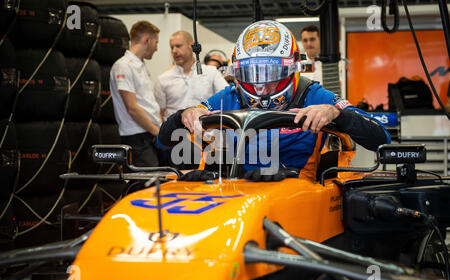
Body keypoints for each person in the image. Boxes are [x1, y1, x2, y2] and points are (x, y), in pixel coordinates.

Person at [158, 20, 391, 181]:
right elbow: (164, 140)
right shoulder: (230, 95)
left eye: (270, 73)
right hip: (238, 192)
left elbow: (382, 138)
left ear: (292, 68)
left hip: (300, 191)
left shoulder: (314, 95)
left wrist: (337, 113)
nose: (260, 85)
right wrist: (184, 115)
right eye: (251, 74)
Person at [110, 21, 162, 167]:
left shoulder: (141, 66)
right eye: (156, 43)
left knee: (160, 179)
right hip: (137, 135)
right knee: (149, 184)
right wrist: (156, 131)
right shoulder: (123, 66)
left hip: (149, 132)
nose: (156, 48)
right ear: (147, 39)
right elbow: (132, 107)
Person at [154, 31, 228, 121]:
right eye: (172, 47)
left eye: (178, 46)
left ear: (192, 46)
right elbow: (160, 113)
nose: (174, 51)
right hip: (175, 132)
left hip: (206, 131)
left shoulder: (211, 72)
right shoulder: (163, 79)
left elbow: (227, 96)